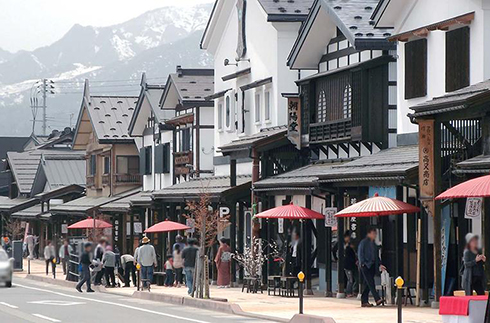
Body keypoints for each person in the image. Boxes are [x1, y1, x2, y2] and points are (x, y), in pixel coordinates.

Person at [358, 226, 386, 307]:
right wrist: (362, 263)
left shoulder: (373, 244)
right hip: (365, 265)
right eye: (374, 234)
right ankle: (377, 299)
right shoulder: (363, 242)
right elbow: (360, 254)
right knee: (371, 282)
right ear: (369, 233)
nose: (375, 235)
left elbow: (376, 256)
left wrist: (380, 264)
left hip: (372, 265)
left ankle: (364, 301)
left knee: (367, 284)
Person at [343, 231, 358, 297]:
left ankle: (354, 291)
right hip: (348, 265)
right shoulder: (345, 246)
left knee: (356, 279)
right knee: (350, 280)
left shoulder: (350, 245)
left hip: (352, 265)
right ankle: (348, 292)